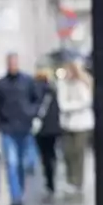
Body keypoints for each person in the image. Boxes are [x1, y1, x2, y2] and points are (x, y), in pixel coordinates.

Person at [0, 52, 40, 205]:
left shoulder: (27, 81)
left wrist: (31, 113)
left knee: (22, 163)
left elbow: (36, 99)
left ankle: (20, 191)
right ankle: (16, 196)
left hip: (25, 127)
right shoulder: (0, 84)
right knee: (11, 163)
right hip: (8, 128)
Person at [57, 60, 94, 194]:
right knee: (67, 152)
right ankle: (70, 179)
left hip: (82, 124)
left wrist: (71, 106)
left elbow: (85, 102)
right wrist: (72, 105)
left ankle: (78, 181)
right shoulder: (63, 84)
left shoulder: (82, 84)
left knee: (78, 152)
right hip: (67, 124)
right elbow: (62, 104)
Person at [32, 68, 62, 196]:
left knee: (44, 154)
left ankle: (48, 177)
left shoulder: (33, 90)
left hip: (39, 127)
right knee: (51, 152)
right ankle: (52, 173)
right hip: (52, 128)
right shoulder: (52, 90)